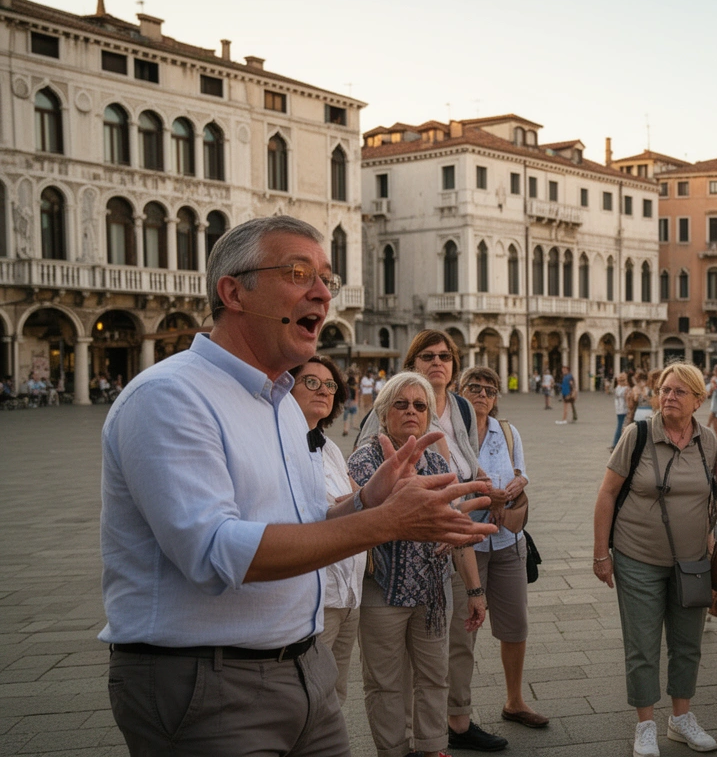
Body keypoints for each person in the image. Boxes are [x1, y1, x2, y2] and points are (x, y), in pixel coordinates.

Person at [99, 215, 494, 756]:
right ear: (232, 292)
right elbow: (216, 552)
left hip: (305, 670)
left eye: (326, 278)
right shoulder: (170, 396)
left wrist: (367, 498)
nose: (322, 293)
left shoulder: (282, 406)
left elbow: (307, 525)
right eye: (297, 272)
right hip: (208, 684)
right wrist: (384, 522)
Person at [354, 330, 503, 752]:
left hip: (434, 592)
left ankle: (433, 746)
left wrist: (474, 589)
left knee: (435, 675)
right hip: (382, 589)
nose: (412, 412)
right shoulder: (365, 460)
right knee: (386, 682)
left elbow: (456, 531)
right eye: (401, 405)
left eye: (420, 406)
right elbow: (355, 522)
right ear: (383, 414)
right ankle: (393, 750)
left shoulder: (438, 460)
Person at [593, 363, 717, 757]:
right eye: (665, 390)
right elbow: (607, 494)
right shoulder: (639, 434)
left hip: (693, 562)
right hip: (638, 557)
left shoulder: (709, 440)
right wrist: (602, 554)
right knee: (642, 645)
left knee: (687, 644)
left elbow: (713, 498)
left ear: (698, 400)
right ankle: (645, 725)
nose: (669, 397)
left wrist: (711, 546)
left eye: (680, 392)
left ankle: (681, 719)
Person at [461, 366, 549, 730]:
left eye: (489, 390)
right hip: (468, 544)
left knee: (515, 626)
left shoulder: (507, 432)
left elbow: (522, 472)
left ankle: (514, 701)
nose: (482, 394)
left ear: (496, 398)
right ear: (459, 392)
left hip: (508, 540)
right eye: (474, 387)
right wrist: (488, 494)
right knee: (463, 630)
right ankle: (458, 712)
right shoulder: (450, 433)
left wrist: (509, 491)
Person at [288, 355, 363, 705]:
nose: (323, 390)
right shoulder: (282, 445)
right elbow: (319, 513)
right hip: (317, 599)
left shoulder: (328, 446)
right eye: (311, 382)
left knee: (336, 696)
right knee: (311, 697)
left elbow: (354, 497)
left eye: (330, 385)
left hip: (349, 595)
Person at [612, 372, 631, 450]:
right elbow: (626, 398)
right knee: (621, 426)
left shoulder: (617, 388)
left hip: (619, 409)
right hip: (623, 409)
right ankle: (616, 443)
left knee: (620, 425)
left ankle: (616, 442)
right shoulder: (624, 388)